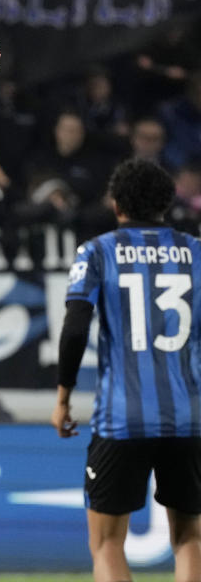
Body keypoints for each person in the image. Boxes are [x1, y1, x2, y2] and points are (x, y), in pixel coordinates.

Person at [52, 158, 201, 582]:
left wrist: (63, 398)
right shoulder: (196, 252)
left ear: (116, 204)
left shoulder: (97, 251)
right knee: (190, 539)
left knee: (106, 544)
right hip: (189, 418)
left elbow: (75, 326)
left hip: (121, 419)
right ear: (167, 204)